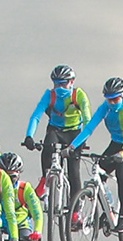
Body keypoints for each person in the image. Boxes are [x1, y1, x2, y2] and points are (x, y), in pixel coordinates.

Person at [71, 75, 123, 232]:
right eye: (109, 99)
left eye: (115, 99)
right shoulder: (105, 108)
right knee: (99, 173)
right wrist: (73, 146)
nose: (112, 103)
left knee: (122, 172)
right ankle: (110, 211)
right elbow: (89, 128)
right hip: (116, 143)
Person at [24, 65, 94, 219]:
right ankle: (45, 180)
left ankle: (75, 210)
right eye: (56, 84)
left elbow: (88, 121)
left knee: (74, 172)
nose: (60, 88)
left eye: (64, 84)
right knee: (47, 148)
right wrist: (29, 136)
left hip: (74, 133)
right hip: (55, 130)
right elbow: (36, 116)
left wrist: (81, 141)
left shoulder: (79, 95)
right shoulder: (49, 95)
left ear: (72, 82)